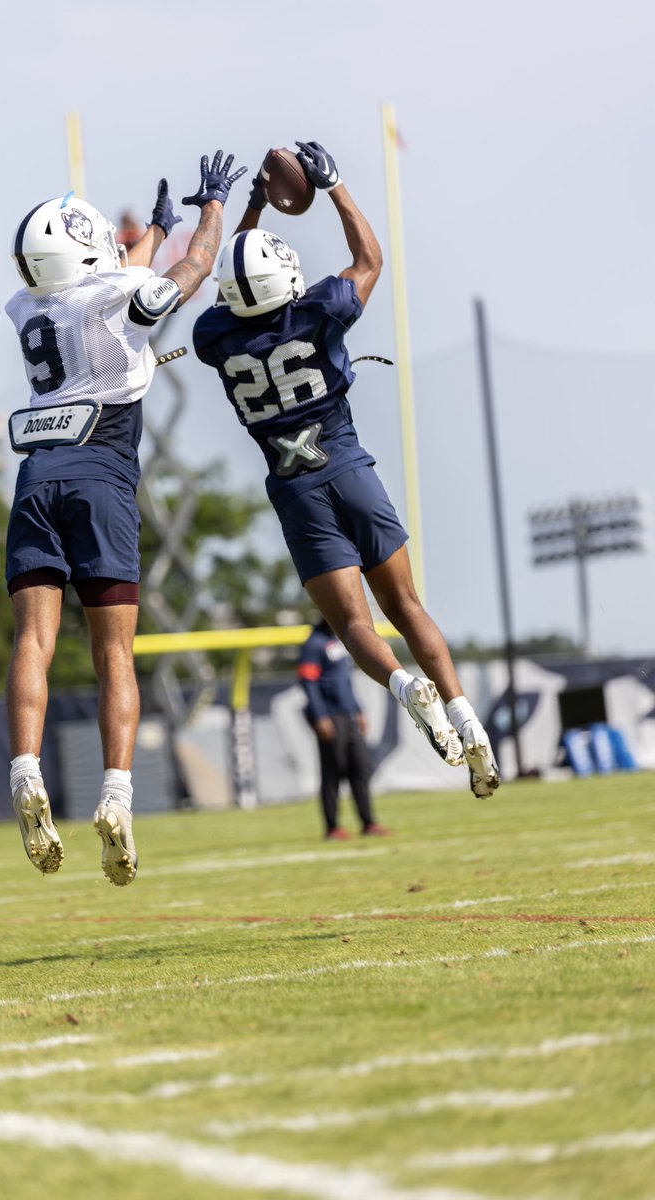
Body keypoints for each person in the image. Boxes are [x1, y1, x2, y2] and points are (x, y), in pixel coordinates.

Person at [192, 140, 499, 800]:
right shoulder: (320, 309)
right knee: (407, 604)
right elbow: (370, 259)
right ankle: (465, 716)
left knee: (355, 625)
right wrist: (335, 189)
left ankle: (399, 684)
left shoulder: (216, 340)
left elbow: (229, 286)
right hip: (350, 468)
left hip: (295, 492)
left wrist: (248, 212)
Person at [5, 151, 246, 886]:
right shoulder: (112, 293)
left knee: (35, 639)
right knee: (113, 653)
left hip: (35, 477)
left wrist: (153, 231)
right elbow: (192, 273)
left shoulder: (30, 305)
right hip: (100, 473)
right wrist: (207, 213)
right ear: (85, 251)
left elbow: (107, 274)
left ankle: (23, 770)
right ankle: (117, 794)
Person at [298, 617, 390, 839]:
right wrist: (320, 716)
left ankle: (368, 823)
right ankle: (332, 827)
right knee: (332, 772)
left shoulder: (339, 641)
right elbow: (308, 683)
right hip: (329, 716)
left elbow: (346, 682)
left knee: (361, 768)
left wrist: (358, 710)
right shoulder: (314, 644)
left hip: (348, 715)